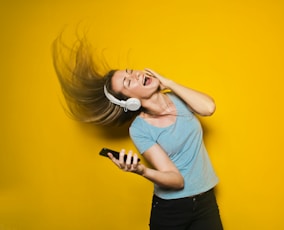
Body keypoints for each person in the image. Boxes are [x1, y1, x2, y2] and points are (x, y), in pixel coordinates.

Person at [52, 35, 223, 230]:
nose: (135, 75)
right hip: (172, 210)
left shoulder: (179, 98)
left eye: (131, 72)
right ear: (130, 102)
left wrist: (169, 83)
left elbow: (208, 108)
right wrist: (142, 170)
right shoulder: (140, 129)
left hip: (205, 200)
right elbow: (176, 180)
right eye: (127, 82)